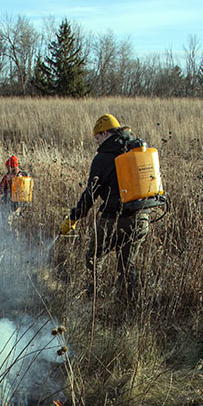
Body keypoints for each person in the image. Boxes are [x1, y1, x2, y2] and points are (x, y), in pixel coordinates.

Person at [59, 113, 151, 299]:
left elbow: (91, 194)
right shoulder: (137, 151)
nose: (96, 142)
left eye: (97, 137)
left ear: (106, 133)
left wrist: (74, 217)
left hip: (114, 218)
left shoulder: (103, 158)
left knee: (94, 256)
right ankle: (127, 306)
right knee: (127, 265)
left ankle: (93, 299)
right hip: (142, 217)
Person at [0, 155, 31, 220]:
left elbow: (0, 190)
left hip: (11, 207)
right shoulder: (24, 175)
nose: (7, 169)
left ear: (10, 167)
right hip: (23, 207)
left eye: (8, 167)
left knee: (8, 224)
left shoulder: (8, 177)